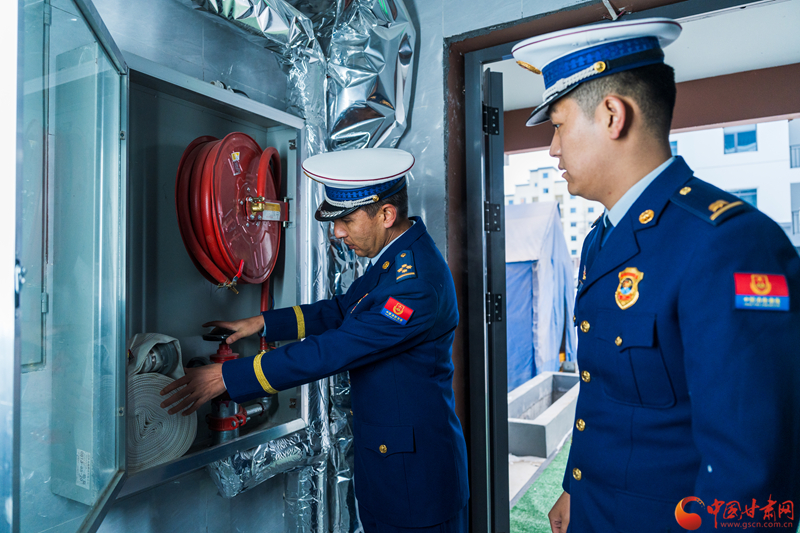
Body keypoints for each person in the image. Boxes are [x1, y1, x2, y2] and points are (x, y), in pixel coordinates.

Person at [512, 17, 800, 533]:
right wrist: (576, 486)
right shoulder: (603, 238)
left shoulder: (730, 243)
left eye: (557, 125)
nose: (552, 148)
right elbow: (603, 391)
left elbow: (751, 471)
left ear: (612, 115)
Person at [160, 148, 470, 533]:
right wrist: (261, 323)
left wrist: (228, 377)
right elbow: (343, 310)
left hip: (417, 482)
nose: (337, 232)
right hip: (391, 468)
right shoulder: (397, 256)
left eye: (346, 220)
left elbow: (336, 348)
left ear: (387, 215)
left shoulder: (415, 284)